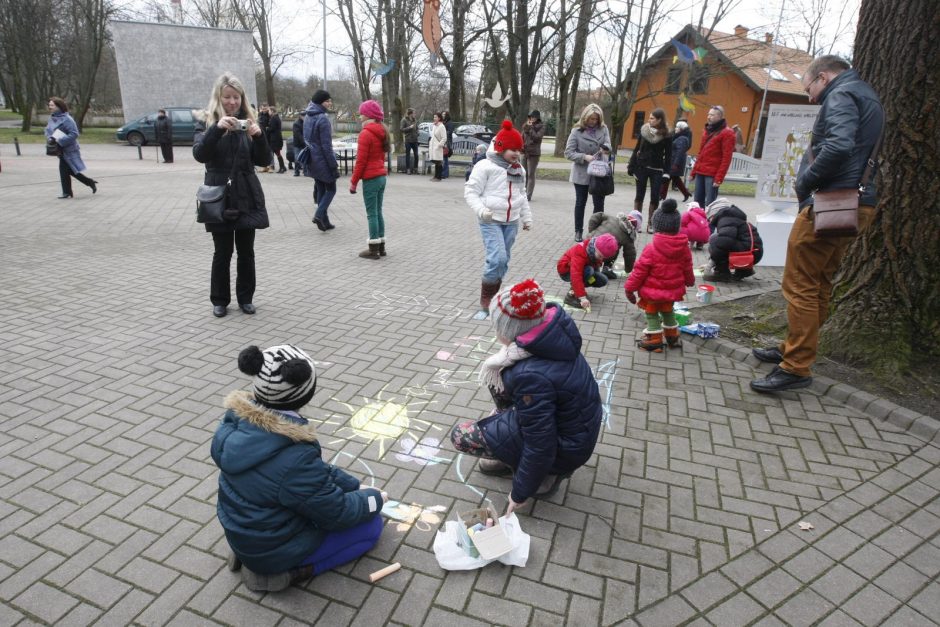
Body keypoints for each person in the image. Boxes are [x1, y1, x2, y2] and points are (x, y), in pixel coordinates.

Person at [751, 55, 884, 393]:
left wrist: (805, 182)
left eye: (809, 88)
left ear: (823, 77)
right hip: (857, 203)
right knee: (820, 282)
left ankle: (796, 365)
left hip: (830, 203)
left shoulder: (840, 95)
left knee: (800, 285)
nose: (810, 97)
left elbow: (838, 146)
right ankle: (794, 349)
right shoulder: (866, 94)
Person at [212, 344, 386, 592]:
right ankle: (284, 574)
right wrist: (373, 499)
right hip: (273, 545)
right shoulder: (293, 455)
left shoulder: (238, 423)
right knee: (371, 527)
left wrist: (354, 486)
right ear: (304, 391)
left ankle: (249, 557)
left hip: (246, 530)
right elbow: (336, 513)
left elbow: (310, 475)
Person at [449, 279, 602, 514]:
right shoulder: (552, 338)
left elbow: (541, 442)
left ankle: (546, 476)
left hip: (566, 447)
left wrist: (521, 491)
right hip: (575, 432)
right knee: (500, 388)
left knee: (461, 436)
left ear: (510, 331)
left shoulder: (530, 373)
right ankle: (510, 454)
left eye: (497, 326)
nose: (495, 330)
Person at [193, 73, 270, 318]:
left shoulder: (249, 120)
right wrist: (217, 129)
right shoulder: (207, 122)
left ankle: (246, 298)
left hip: (246, 193)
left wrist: (258, 136)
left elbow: (264, 160)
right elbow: (200, 154)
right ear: (219, 97)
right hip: (219, 195)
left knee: (246, 251)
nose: (232, 102)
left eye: (236, 97)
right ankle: (219, 300)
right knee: (222, 251)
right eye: (227, 97)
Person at [465, 120, 533, 319]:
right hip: (490, 219)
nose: (516, 153)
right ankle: (485, 301)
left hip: (511, 221)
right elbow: (470, 192)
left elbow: (522, 196)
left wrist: (526, 218)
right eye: (512, 149)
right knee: (498, 258)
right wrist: (481, 210)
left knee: (504, 261)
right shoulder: (485, 166)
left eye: (519, 149)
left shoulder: (519, 169)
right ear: (501, 147)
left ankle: (495, 299)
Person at [623, 199, 695, 352]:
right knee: (668, 311)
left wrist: (629, 288)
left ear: (656, 226)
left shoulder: (651, 248)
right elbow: (688, 266)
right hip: (671, 292)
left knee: (652, 313)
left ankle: (655, 339)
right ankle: (672, 336)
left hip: (652, 293)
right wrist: (690, 280)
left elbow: (639, 272)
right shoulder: (684, 247)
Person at [564, 103, 611, 242]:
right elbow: (568, 153)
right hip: (582, 172)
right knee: (580, 202)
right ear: (585, 117)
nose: (593, 122)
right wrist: (584, 157)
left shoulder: (604, 129)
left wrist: (606, 148)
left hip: (599, 172)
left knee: (599, 204)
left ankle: (596, 231)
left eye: (596, 119)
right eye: (591, 119)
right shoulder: (576, 131)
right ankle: (578, 231)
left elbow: (609, 144)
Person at [349, 100, 390, 260]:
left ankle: (373, 249)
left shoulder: (366, 133)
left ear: (367, 115)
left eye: (361, 113)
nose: (359, 116)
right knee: (378, 211)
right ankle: (381, 247)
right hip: (381, 177)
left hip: (371, 179)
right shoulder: (382, 130)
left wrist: (354, 182)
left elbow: (361, 161)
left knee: (371, 213)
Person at [627, 108, 672, 232]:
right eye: (649, 118)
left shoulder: (667, 135)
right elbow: (636, 149)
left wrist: (667, 173)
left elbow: (669, 155)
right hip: (641, 167)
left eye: (652, 118)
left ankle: (651, 224)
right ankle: (636, 223)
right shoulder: (644, 131)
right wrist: (631, 165)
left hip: (657, 169)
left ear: (659, 120)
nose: (649, 120)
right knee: (639, 195)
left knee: (655, 197)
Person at [45, 97, 97, 199]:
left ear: (59, 107)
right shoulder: (52, 118)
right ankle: (88, 182)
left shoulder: (67, 119)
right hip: (58, 148)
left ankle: (68, 192)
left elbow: (74, 134)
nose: (50, 107)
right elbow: (47, 130)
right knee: (68, 170)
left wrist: (61, 140)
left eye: (52, 105)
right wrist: (50, 138)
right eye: (49, 105)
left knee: (64, 170)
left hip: (69, 149)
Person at [303, 90, 340, 231]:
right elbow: (326, 146)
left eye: (330, 101)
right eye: (327, 101)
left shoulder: (308, 116)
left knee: (320, 188)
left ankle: (325, 221)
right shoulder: (322, 118)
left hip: (312, 158)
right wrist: (333, 165)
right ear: (320, 102)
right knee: (331, 189)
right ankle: (319, 215)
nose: (330, 103)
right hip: (322, 160)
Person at [703, 198, 764, 282]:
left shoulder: (725, 219)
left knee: (715, 240)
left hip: (750, 254)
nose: (710, 221)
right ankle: (743, 271)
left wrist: (711, 262)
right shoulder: (734, 217)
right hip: (756, 252)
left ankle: (721, 273)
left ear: (714, 213)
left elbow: (724, 242)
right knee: (721, 240)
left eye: (709, 218)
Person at [557, 233, 619, 310]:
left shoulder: (595, 250)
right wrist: (582, 297)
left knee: (602, 280)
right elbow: (576, 275)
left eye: (603, 257)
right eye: (600, 256)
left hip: (583, 270)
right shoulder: (580, 251)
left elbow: (596, 265)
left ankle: (578, 290)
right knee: (589, 271)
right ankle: (571, 296)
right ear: (595, 247)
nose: (601, 258)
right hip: (566, 271)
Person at [689, 105, 736, 207]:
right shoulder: (707, 130)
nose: (708, 117)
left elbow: (726, 158)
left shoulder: (728, 133)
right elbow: (701, 153)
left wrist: (719, 178)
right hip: (701, 172)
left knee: (710, 204)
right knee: (697, 203)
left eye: (712, 115)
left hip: (712, 174)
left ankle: (709, 222)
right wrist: (693, 172)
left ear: (720, 117)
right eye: (708, 114)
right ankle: (698, 222)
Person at [586, 212, 638, 280]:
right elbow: (630, 256)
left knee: (587, 258)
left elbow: (596, 216)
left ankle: (588, 266)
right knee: (615, 249)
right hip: (602, 254)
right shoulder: (628, 237)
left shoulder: (612, 218)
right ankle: (607, 268)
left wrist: (592, 232)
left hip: (589, 242)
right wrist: (628, 270)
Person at [661, 120, 691, 202]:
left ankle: (662, 195)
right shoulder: (679, 137)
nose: (675, 128)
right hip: (674, 161)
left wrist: (676, 164)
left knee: (667, 177)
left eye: (677, 127)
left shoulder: (682, 139)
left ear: (681, 129)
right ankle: (686, 193)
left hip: (675, 162)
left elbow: (680, 152)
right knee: (675, 179)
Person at [522, 110, 545, 200]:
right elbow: (522, 137)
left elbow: (537, 137)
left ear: (538, 118)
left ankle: (528, 195)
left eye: (534, 117)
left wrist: (530, 128)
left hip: (534, 153)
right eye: (531, 117)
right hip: (524, 152)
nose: (532, 119)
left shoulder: (541, 127)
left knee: (531, 174)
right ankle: (523, 192)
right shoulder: (526, 127)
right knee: (524, 173)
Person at [267, 107, 287, 173]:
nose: (268, 112)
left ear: (272, 111)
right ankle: (283, 167)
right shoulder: (276, 117)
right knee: (278, 153)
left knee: (278, 153)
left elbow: (272, 128)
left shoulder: (274, 118)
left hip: (275, 139)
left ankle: (282, 167)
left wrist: (267, 129)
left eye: (269, 111)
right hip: (276, 138)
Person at [428, 112, 447, 182]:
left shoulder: (442, 126)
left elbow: (444, 138)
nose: (434, 118)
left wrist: (439, 145)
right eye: (434, 117)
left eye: (435, 117)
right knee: (436, 161)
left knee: (438, 162)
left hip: (438, 147)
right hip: (433, 146)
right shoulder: (434, 126)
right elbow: (432, 136)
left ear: (439, 118)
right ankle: (436, 176)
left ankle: (439, 177)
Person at [400, 108, 419, 175]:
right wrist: (409, 127)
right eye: (414, 113)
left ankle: (415, 169)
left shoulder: (415, 120)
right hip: (408, 140)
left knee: (416, 155)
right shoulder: (404, 120)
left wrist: (417, 133)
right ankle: (408, 169)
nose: (415, 114)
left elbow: (417, 128)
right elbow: (401, 129)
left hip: (415, 140)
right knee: (408, 155)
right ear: (410, 114)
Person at [257, 105, 272, 173]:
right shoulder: (260, 114)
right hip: (261, 133)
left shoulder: (269, 115)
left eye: (265, 109)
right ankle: (265, 166)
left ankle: (270, 166)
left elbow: (270, 124)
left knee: (269, 151)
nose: (264, 110)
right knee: (263, 150)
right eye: (263, 108)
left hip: (267, 134)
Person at [441, 110, 455, 179]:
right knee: (444, 158)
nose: (443, 115)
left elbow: (449, 132)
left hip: (447, 143)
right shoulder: (443, 122)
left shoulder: (449, 123)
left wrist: (443, 133)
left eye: (444, 114)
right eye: (442, 114)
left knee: (445, 158)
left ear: (447, 115)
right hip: (444, 142)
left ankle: (444, 174)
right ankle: (445, 173)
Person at [291, 111, 304, 176]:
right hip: (298, 143)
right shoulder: (296, 123)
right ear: (300, 116)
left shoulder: (307, 122)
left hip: (304, 143)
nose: (304, 117)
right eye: (303, 115)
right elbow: (298, 135)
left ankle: (305, 170)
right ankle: (296, 171)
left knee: (305, 157)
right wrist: (304, 142)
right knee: (297, 158)